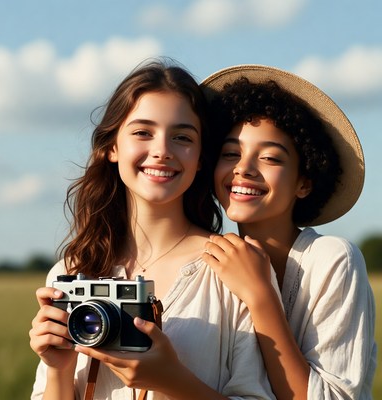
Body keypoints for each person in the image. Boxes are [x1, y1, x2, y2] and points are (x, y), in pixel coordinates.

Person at [29, 60, 278, 400]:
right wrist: (59, 368)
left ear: (201, 157)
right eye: (143, 132)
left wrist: (171, 381)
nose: (161, 151)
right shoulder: (73, 272)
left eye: (181, 137)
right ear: (112, 147)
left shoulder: (234, 268)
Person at [201, 65, 377, 400]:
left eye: (270, 157)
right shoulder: (211, 261)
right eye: (230, 154)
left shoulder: (333, 259)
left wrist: (261, 295)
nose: (243, 168)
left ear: (304, 182)